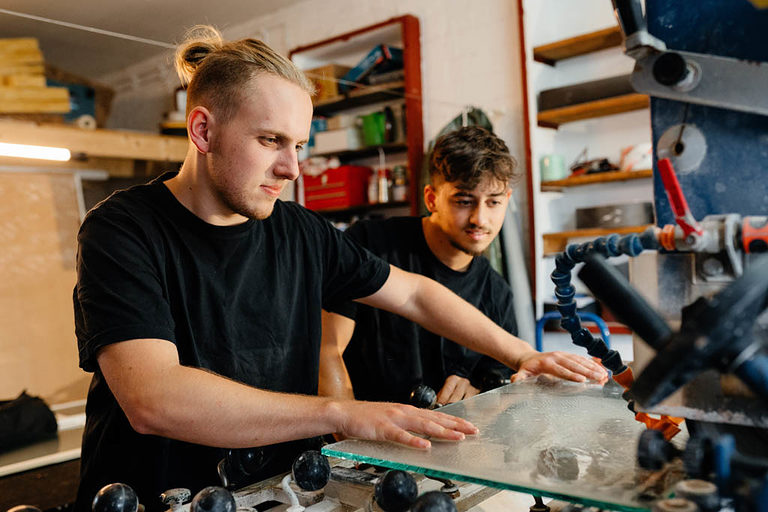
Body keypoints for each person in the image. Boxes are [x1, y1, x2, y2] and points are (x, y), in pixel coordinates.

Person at [72, 26, 606, 510]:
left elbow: (416, 295)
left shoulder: (301, 231)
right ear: (203, 131)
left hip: (274, 496)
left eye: (300, 144)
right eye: (270, 140)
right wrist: (340, 412)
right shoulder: (122, 230)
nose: (292, 168)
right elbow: (154, 398)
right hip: (154, 499)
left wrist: (525, 354)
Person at [319, 126, 580, 407]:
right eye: (464, 201)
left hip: (439, 441)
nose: (480, 218)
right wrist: (347, 432)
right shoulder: (370, 244)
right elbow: (325, 350)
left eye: (493, 202)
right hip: (361, 434)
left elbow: (498, 387)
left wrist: (476, 395)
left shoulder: (496, 292)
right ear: (432, 198)